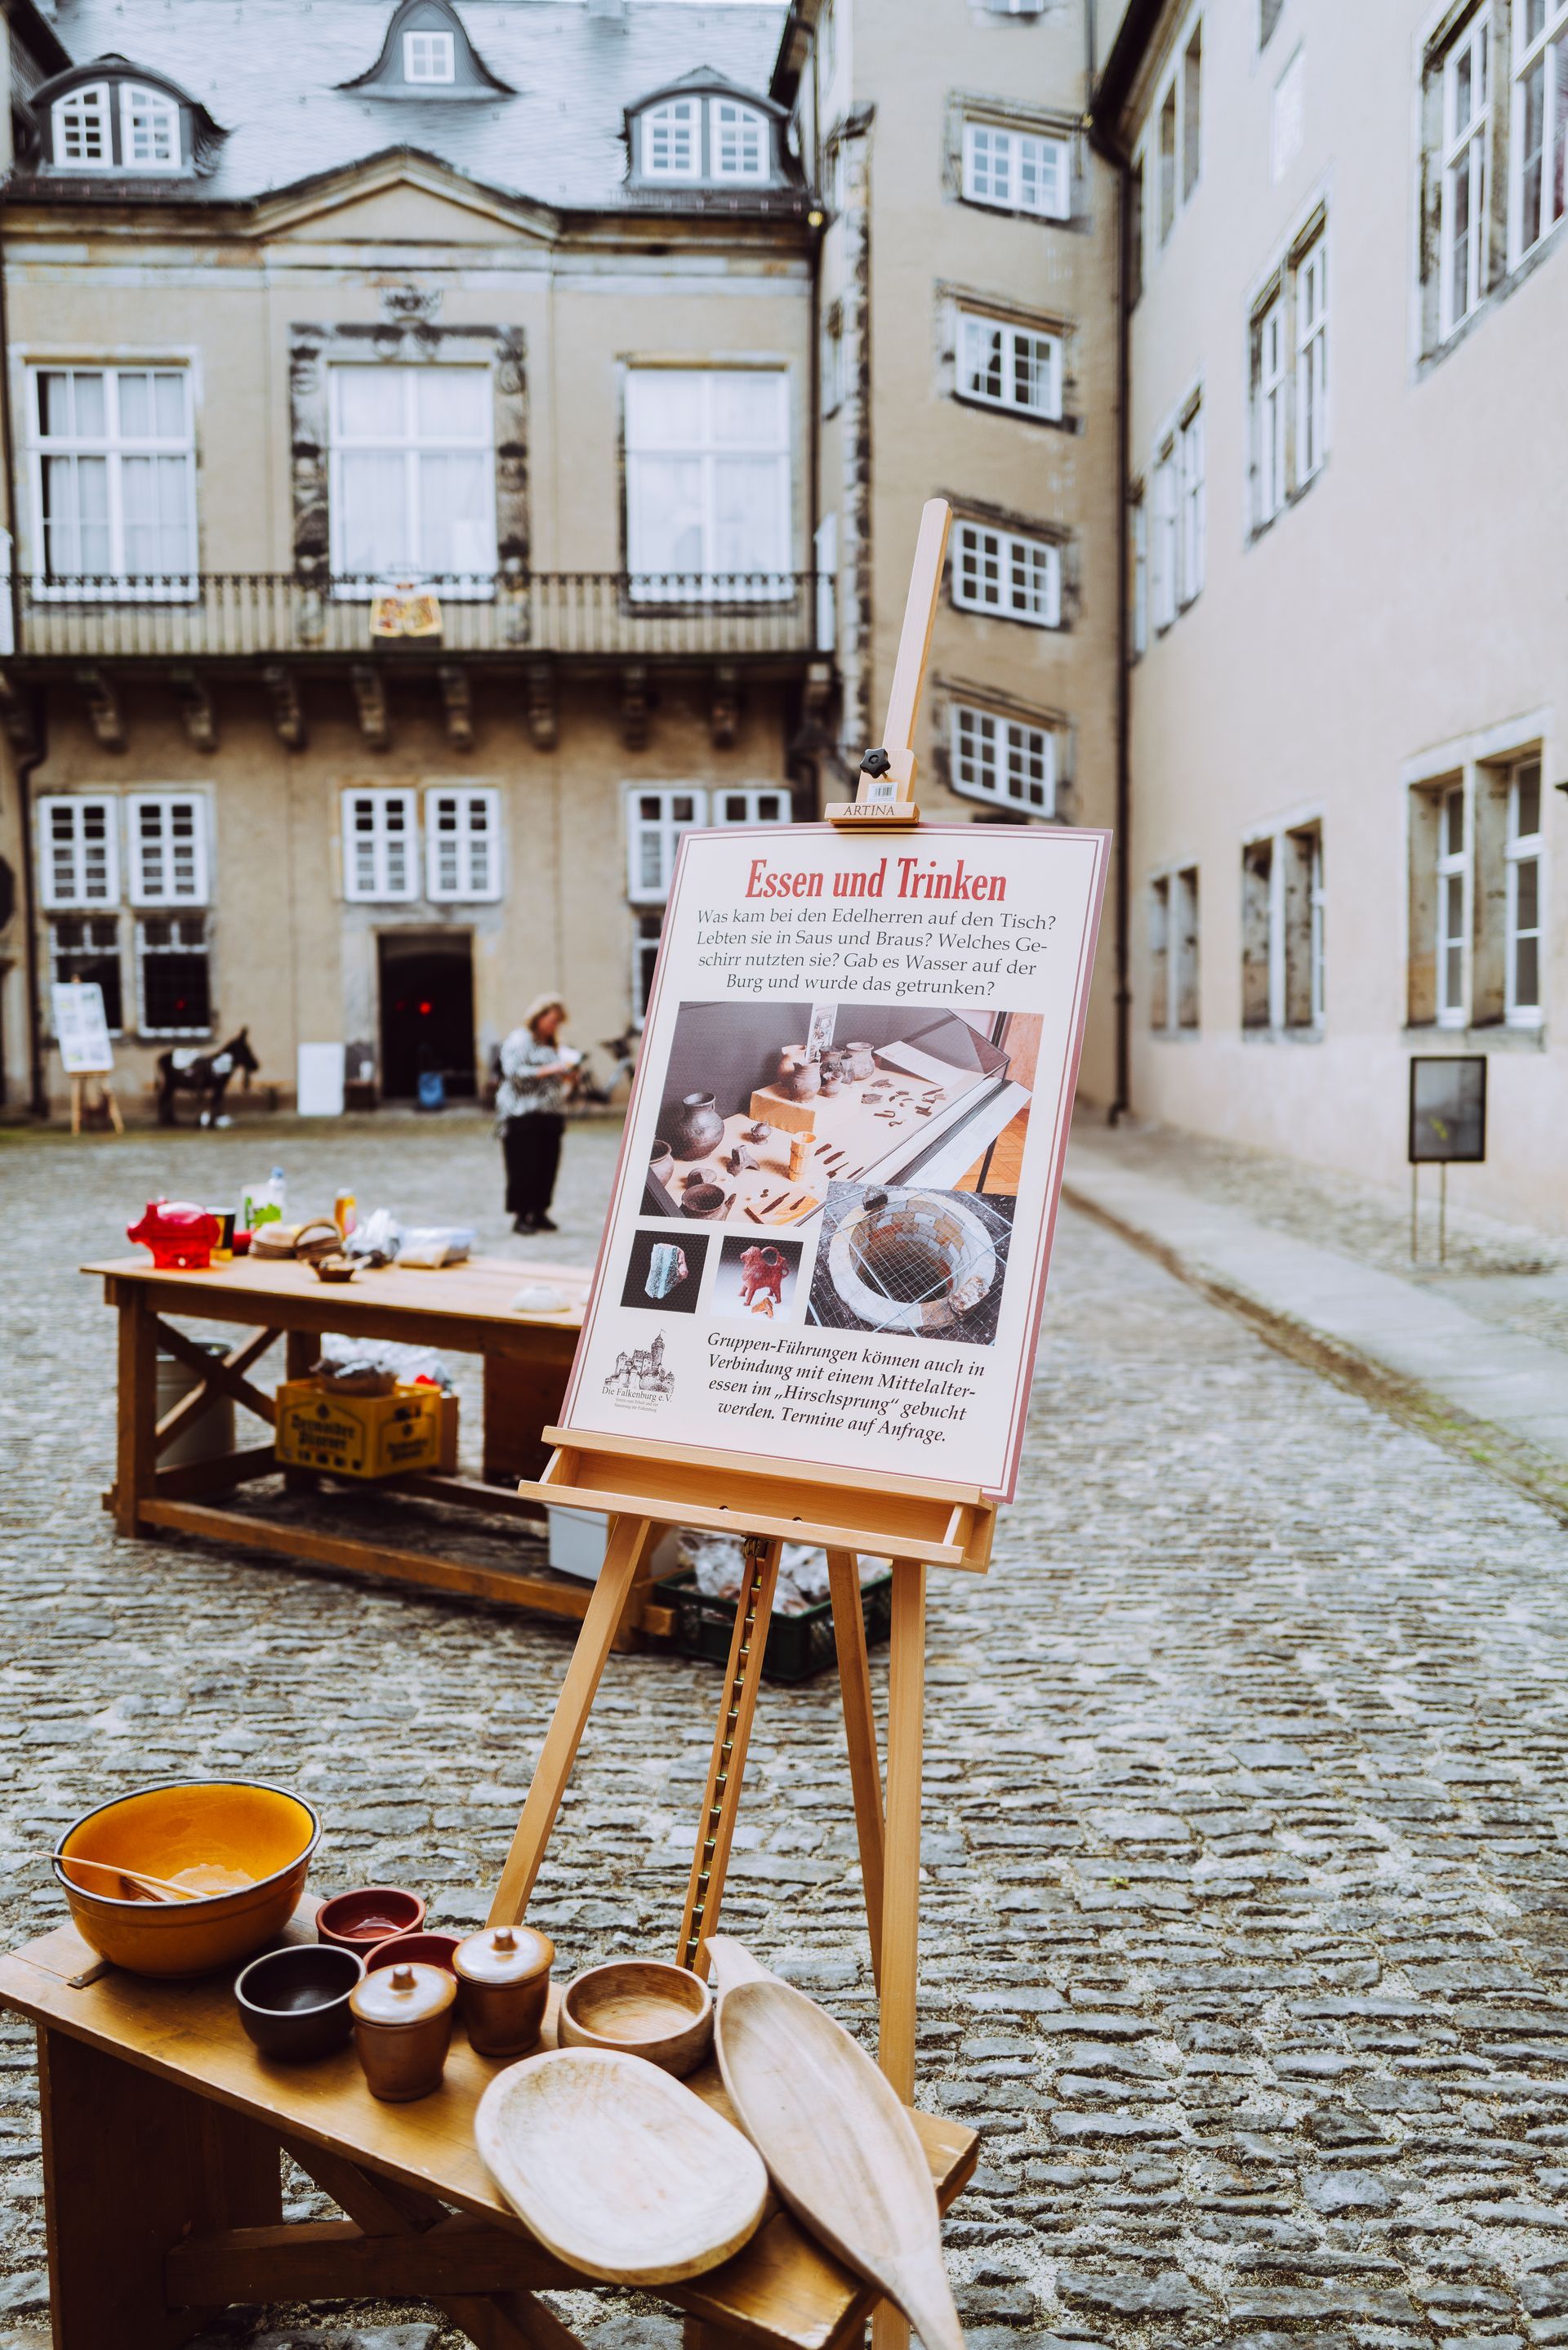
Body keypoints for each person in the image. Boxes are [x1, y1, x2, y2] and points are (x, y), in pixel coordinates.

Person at [497, 993, 577, 1233]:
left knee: (547, 1166)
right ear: (538, 1017)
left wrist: (569, 1074)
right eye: (552, 1021)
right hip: (523, 1114)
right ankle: (521, 1216)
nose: (555, 1026)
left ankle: (540, 1212)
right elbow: (513, 1073)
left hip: (550, 1114)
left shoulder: (551, 1043)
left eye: (558, 1022)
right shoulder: (520, 1040)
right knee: (523, 1167)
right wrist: (549, 1069)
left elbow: (557, 1077)